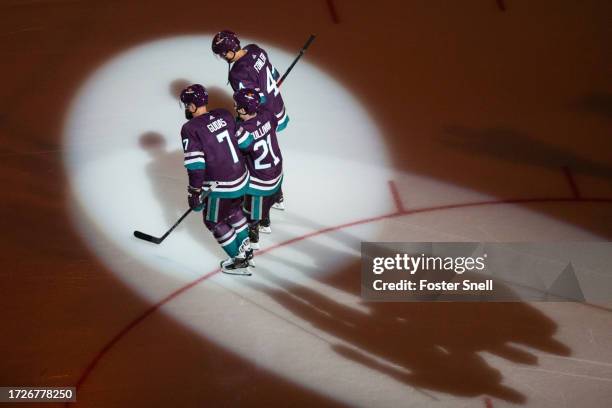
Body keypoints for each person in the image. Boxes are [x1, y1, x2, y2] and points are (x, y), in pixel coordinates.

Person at [211, 30, 288, 218]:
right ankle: (277, 196)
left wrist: (241, 127)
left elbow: (251, 103)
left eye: (222, 54)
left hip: (263, 117)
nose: (222, 58)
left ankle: (258, 213)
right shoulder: (256, 50)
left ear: (228, 52)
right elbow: (276, 77)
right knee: (272, 152)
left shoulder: (238, 73)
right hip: (278, 108)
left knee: (256, 159)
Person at [179, 84, 253, 275]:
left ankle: (239, 260)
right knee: (234, 210)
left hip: (222, 186)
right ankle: (247, 247)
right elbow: (247, 142)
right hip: (242, 178)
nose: (187, 108)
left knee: (213, 220)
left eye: (187, 105)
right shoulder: (224, 114)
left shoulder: (190, 128)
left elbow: (196, 167)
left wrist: (194, 192)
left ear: (193, 106)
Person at [232, 88, 283, 250]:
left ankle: (253, 239)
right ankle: (265, 222)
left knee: (250, 211)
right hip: (277, 171)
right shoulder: (267, 114)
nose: (234, 107)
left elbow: (237, 153)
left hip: (260, 180)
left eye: (236, 105)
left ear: (242, 109)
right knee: (266, 201)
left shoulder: (243, 131)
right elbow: (272, 125)